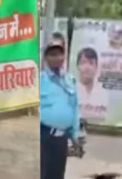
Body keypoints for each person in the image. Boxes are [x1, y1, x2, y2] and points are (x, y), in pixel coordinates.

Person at [40, 38, 81, 179]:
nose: (57, 58)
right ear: (45, 57)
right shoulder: (40, 80)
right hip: (42, 136)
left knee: (57, 175)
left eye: (59, 54)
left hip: (61, 139)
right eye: (52, 54)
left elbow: (74, 108)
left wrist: (75, 135)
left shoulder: (69, 80)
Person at [76, 47, 107, 118]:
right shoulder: (71, 90)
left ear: (96, 67)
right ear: (78, 66)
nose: (87, 67)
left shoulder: (102, 93)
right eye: (83, 62)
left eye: (91, 63)